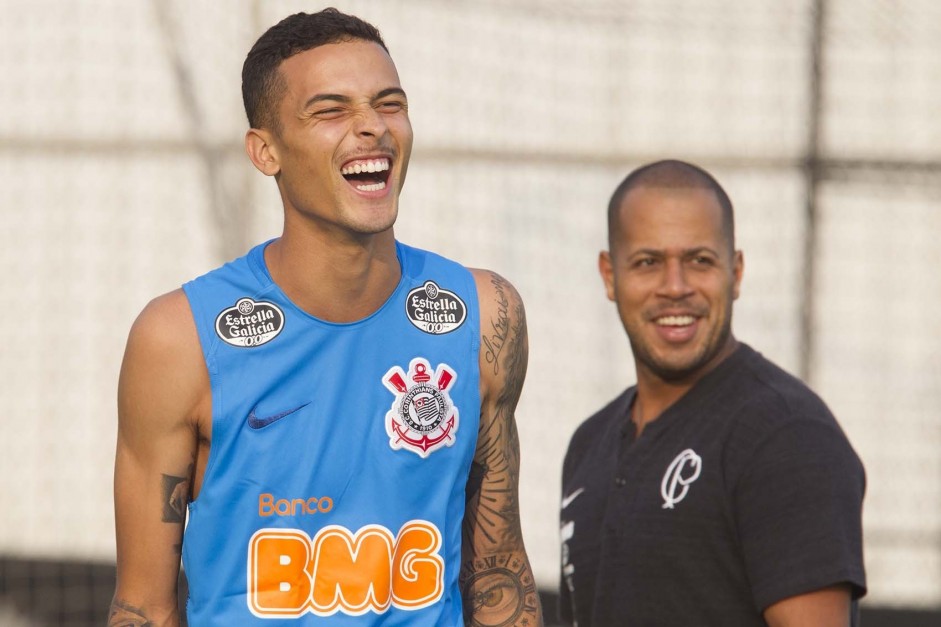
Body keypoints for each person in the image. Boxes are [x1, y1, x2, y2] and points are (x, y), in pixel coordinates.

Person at [110, 9, 542, 626]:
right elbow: (143, 607)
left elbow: (498, 569)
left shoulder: (485, 314)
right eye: (331, 110)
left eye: (389, 104)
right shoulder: (179, 336)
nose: (372, 128)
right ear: (265, 151)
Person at [559, 159, 866, 626]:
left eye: (699, 261)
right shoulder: (590, 443)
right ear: (609, 275)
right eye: (648, 262)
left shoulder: (788, 435)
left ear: (736, 273)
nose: (675, 287)